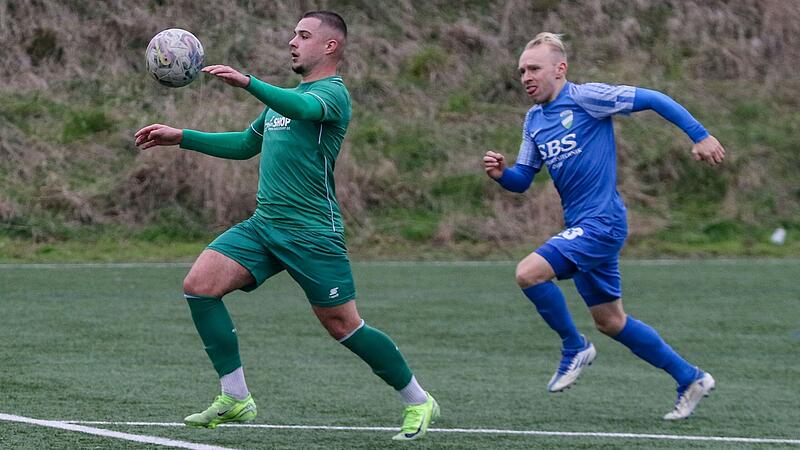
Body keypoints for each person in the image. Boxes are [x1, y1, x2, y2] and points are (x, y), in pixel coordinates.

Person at [134, 11, 439, 441]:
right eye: (293, 33)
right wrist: (181, 135)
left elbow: (301, 107)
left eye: (303, 35)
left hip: (313, 233)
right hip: (265, 226)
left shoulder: (332, 95)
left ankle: (418, 399)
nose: (292, 41)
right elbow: (244, 145)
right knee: (199, 284)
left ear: (330, 46)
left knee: (343, 325)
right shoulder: (283, 102)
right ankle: (236, 397)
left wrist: (249, 83)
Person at [483, 32, 724, 420]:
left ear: (560, 70)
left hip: (602, 222)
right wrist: (501, 174)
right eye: (522, 70)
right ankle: (689, 377)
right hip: (583, 226)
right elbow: (524, 179)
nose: (526, 76)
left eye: (534, 69)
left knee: (528, 273)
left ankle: (573, 347)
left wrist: (700, 135)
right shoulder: (533, 120)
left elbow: (652, 98)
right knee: (611, 321)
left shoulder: (586, 98)